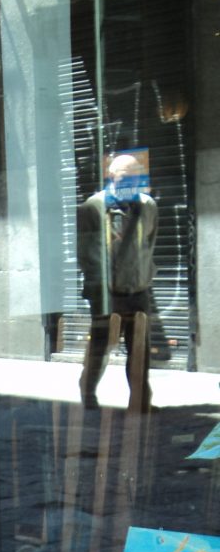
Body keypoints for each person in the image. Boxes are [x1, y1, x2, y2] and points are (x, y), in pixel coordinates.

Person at [78, 153, 159, 411]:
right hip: (106, 292)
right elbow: (87, 254)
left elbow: (149, 244)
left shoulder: (148, 206)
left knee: (140, 351)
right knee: (101, 347)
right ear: (111, 177)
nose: (131, 183)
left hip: (138, 290)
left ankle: (140, 401)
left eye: (137, 177)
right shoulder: (93, 207)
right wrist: (104, 286)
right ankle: (88, 394)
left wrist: (144, 276)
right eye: (126, 177)